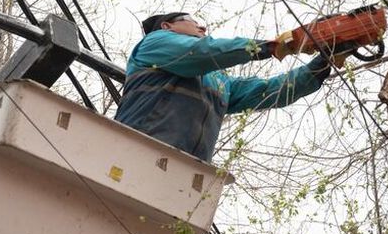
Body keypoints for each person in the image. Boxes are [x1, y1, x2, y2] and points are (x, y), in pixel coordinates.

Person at [114, 11, 341, 162]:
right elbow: (205, 51)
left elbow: (269, 91)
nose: (202, 26)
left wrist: (322, 64)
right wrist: (272, 47)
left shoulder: (219, 81)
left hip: (186, 170)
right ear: (167, 26)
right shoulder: (155, 43)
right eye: (193, 20)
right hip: (136, 152)